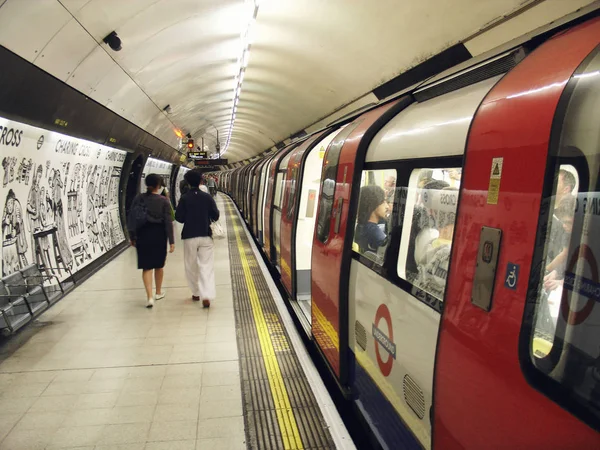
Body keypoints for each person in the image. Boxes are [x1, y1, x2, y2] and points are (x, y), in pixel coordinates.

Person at [127, 173, 175, 308]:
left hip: (143, 235)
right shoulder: (164, 201)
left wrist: (132, 236)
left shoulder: (138, 199)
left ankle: (149, 297)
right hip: (159, 235)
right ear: (158, 185)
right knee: (159, 265)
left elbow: (132, 218)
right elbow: (168, 222)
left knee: (146, 266)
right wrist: (171, 241)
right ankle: (158, 292)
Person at [175, 170, 220, 307]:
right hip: (205, 235)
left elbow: (179, 218)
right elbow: (216, 215)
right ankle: (206, 295)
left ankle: (196, 293)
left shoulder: (184, 198)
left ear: (187, 182)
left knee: (191, 265)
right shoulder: (207, 197)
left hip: (189, 236)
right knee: (206, 266)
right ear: (201, 181)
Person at [354, 185, 389, 254]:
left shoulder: (362, 225)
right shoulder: (374, 231)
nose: (387, 206)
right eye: (383, 202)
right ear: (373, 204)